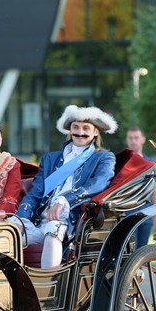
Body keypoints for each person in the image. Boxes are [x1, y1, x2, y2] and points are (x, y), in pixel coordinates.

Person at [15, 105, 116, 269]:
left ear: (95, 132)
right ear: (70, 130)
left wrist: (65, 200)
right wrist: (21, 218)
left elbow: (99, 182)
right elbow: (35, 192)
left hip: (68, 223)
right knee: (8, 234)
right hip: (37, 221)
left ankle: (49, 286)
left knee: (53, 230)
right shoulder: (50, 158)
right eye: (75, 127)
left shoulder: (103, 157)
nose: (80, 132)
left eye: (86, 128)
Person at [126, 126, 156, 248]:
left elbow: (154, 188)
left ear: (143, 139)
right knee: (130, 250)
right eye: (130, 138)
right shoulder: (123, 160)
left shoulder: (149, 162)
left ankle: (140, 268)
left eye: (136, 138)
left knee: (142, 250)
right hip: (128, 213)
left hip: (146, 213)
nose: (133, 141)